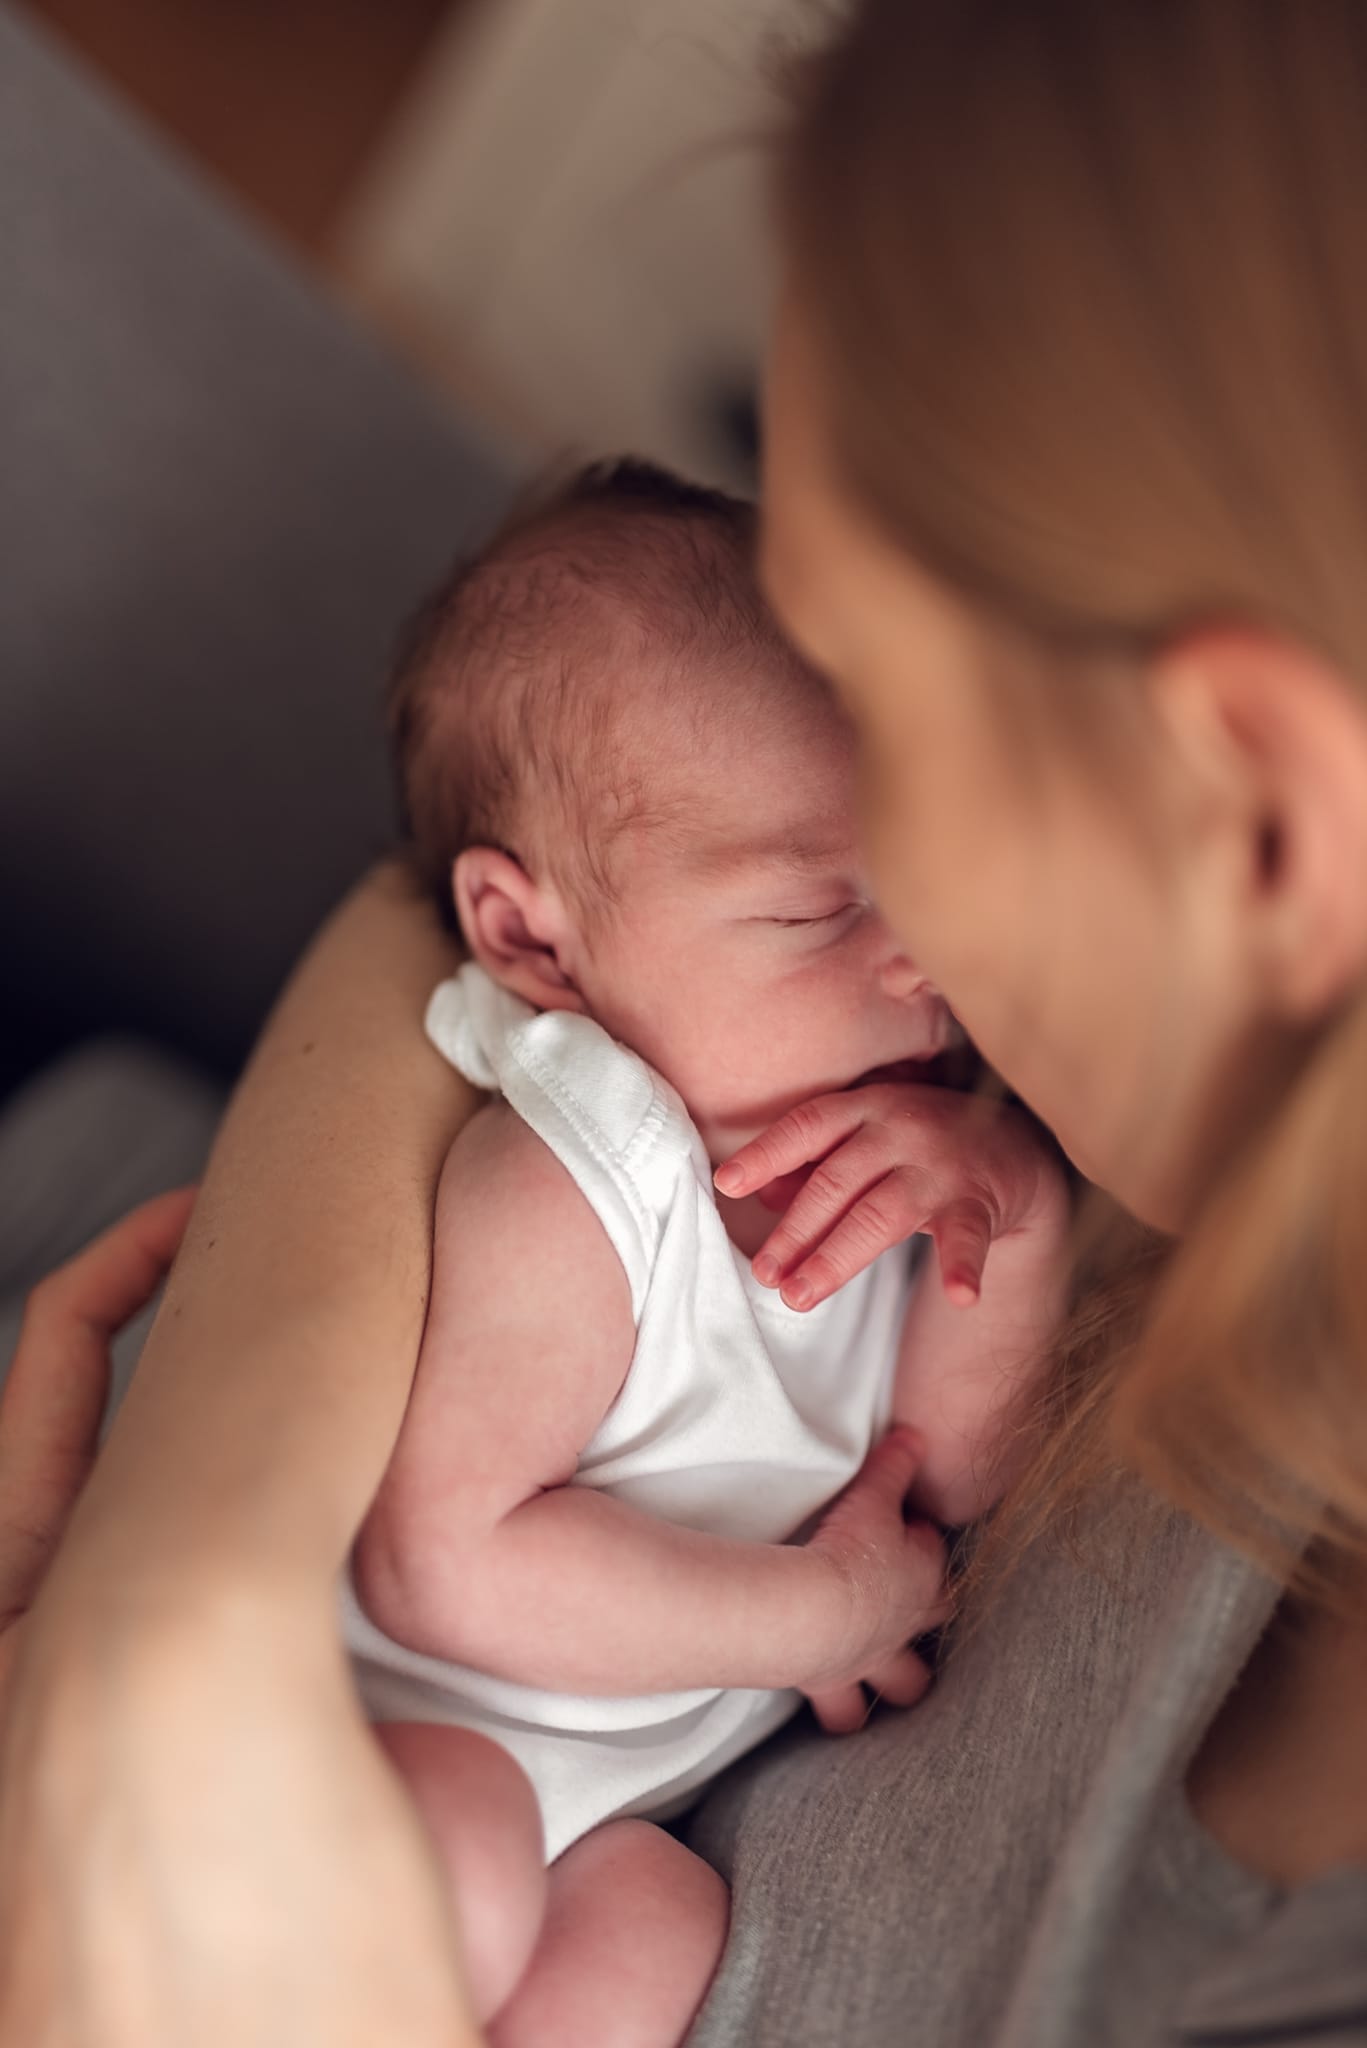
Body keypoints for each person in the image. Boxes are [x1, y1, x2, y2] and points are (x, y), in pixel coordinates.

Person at [3, 1, 1367, 2043]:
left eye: (876, 701)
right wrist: (163, 1617)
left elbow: (938, 1460)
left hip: (491, 1813)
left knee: (620, 1922)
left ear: (1259, 815)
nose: (898, 935)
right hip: (336, 1666)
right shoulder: (1080, 1060)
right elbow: (438, 915)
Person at [341, 458, 1066, 2043]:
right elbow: (440, 1560)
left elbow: (952, 1476)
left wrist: (1010, 1198)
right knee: (458, 1845)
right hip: (383, 1730)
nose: (922, 953)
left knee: (662, 1919)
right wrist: (818, 1616)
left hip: (603, 1811)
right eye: (821, 912)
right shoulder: (586, 1177)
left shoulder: (894, 1127)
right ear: (536, 940)